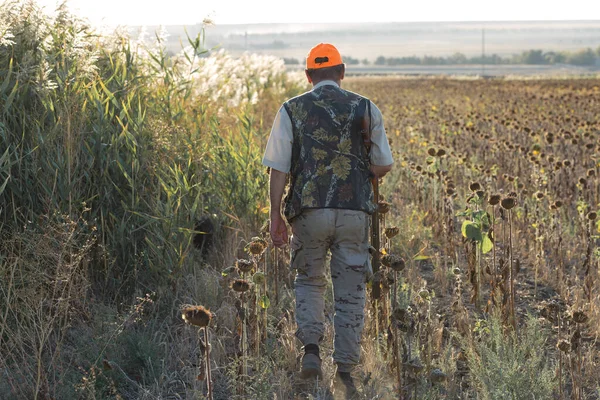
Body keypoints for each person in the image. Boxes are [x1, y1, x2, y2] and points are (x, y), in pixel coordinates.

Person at [262, 43, 394, 398]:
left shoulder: (291, 109)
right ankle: (347, 369)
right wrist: (355, 170)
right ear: (342, 72)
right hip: (354, 212)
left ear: (308, 76)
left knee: (309, 280)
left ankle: (311, 353)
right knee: (351, 289)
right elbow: (383, 165)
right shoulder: (365, 107)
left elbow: (279, 168)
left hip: (308, 211)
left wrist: (275, 215)